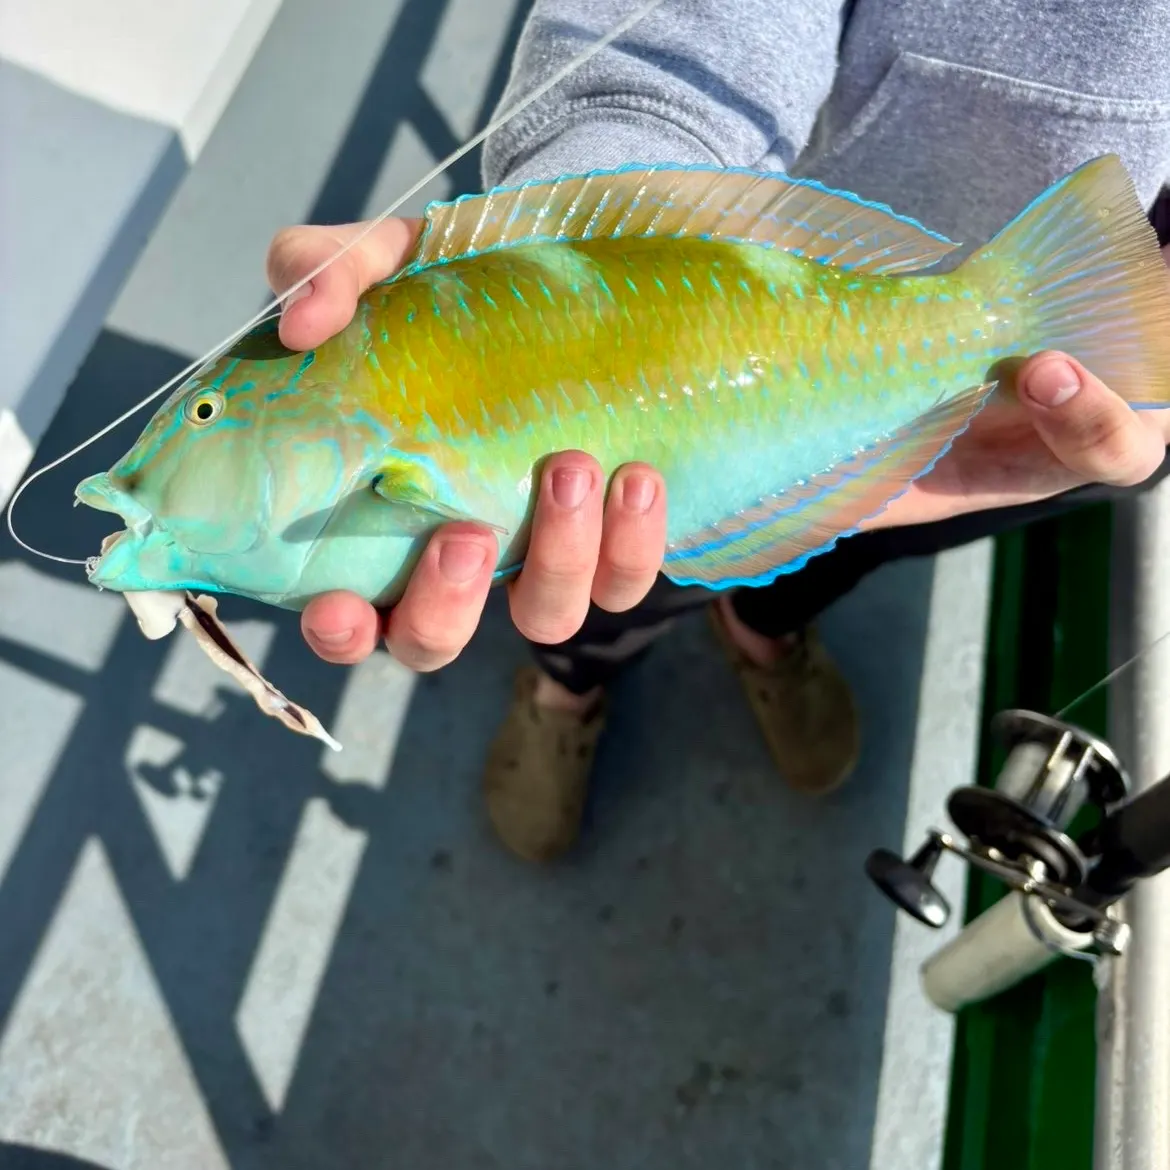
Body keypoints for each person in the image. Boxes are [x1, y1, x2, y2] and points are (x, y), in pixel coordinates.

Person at [266, 0, 1170, 863]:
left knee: (860, 536)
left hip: (1075, 401)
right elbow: (678, 46)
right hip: (759, 264)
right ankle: (573, 679)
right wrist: (571, 270)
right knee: (594, 541)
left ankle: (763, 625)